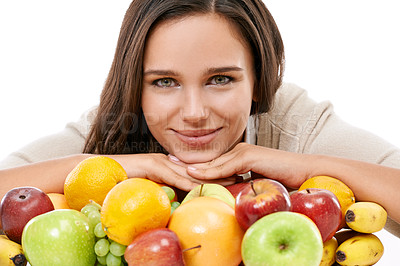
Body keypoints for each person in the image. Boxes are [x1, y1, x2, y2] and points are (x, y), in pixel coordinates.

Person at [1, 0, 399, 236]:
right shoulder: (118, 123)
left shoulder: (291, 121)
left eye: (221, 79)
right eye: (164, 82)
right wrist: (124, 166)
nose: (193, 114)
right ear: (136, 87)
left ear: (260, 80)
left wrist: (303, 166)